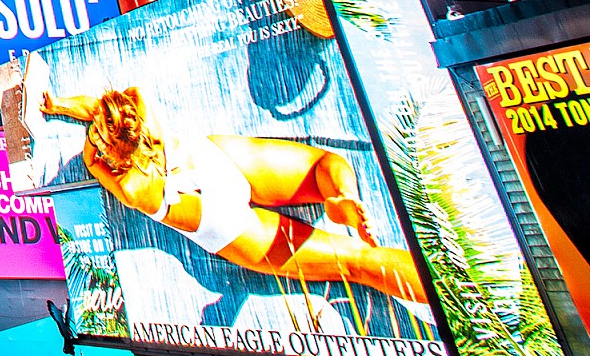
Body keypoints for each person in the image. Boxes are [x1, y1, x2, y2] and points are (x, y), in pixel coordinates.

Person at [40, 82, 434, 312]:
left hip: (223, 221)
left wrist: (61, 110)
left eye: (99, 136)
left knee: (360, 262)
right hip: (219, 169)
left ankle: (342, 200)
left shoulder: (129, 185)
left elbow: (96, 134)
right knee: (326, 169)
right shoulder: (138, 105)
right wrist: (60, 104)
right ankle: (341, 196)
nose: (93, 142)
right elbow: (98, 109)